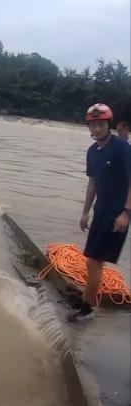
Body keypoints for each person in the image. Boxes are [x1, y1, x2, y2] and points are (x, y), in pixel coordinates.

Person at [70, 103, 131, 322]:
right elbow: (93, 184)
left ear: (109, 125)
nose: (96, 129)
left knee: (92, 261)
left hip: (117, 215)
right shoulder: (92, 152)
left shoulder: (122, 148)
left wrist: (126, 213)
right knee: (96, 260)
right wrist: (85, 212)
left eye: (101, 125)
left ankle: (87, 308)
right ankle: (88, 299)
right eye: (93, 125)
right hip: (100, 212)